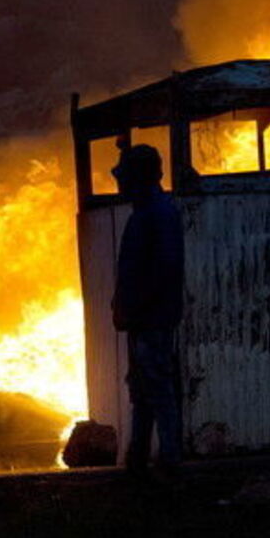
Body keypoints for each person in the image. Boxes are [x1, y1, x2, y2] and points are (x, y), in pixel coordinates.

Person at [111, 144, 185, 480]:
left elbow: (163, 269)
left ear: (138, 176)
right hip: (144, 317)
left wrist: (134, 306)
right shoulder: (147, 212)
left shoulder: (156, 213)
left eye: (123, 174)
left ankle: (168, 459)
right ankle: (138, 459)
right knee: (143, 388)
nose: (118, 181)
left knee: (156, 386)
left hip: (151, 318)